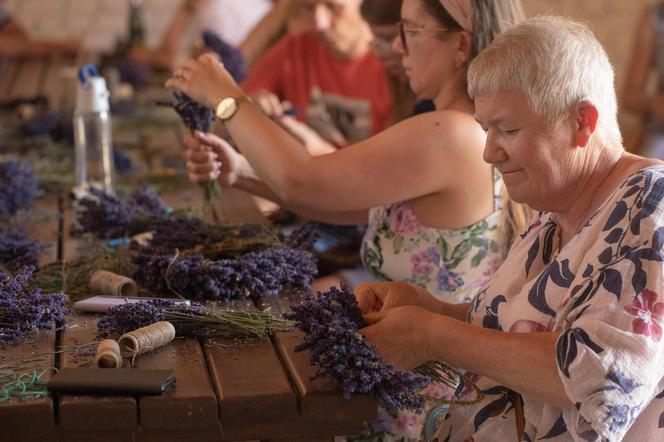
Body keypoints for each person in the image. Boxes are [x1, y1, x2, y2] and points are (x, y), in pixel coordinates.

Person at [167, 1, 527, 439]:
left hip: (417, 405)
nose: (397, 46)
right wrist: (240, 172)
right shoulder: (457, 129)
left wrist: (228, 97)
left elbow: (304, 182)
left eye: (410, 31)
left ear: (460, 45)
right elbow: (342, 203)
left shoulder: (450, 134)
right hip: (402, 379)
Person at [354, 16, 664, 441]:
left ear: (582, 122)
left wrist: (433, 335)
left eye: (508, 130)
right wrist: (430, 307)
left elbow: (600, 373)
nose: (488, 152)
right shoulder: (555, 206)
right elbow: (516, 330)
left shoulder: (651, 206)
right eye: (486, 129)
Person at [240, 0, 392, 146]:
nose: (319, 23)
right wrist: (252, 106)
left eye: (333, 6)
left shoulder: (393, 63)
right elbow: (230, 112)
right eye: (308, 7)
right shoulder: (295, 49)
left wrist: (319, 153)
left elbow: (389, 167)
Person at [128, 0, 273, 71]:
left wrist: (151, 58)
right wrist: (186, 10)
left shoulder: (221, 8)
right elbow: (167, 50)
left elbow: (209, 67)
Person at [623, 2, 664, 158]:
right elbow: (630, 97)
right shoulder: (657, 18)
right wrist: (655, 103)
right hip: (660, 134)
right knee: (650, 172)